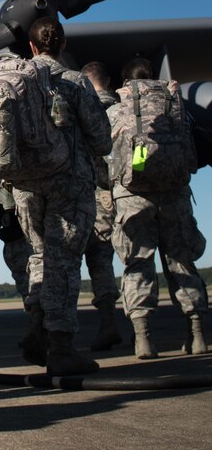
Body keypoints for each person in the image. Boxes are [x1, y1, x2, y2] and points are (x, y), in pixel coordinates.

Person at [9, 18, 111, 376]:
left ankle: (37, 327)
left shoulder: (16, 78)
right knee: (64, 263)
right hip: (68, 183)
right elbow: (102, 139)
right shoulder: (76, 81)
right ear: (62, 45)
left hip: (25, 186)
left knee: (39, 257)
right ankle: (62, 347)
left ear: (32, 47)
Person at [108, 57, 208, 359]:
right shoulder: (176, 107)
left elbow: (105, 156)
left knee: (137, 263)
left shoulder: (116, 110)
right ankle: (197, 335)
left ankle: (143, 339)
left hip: (132, 195)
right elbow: (192, 153)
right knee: (181, 261)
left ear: (126, 82)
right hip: (174, 192)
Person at [79, 61, 123, 351]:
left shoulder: (87, 111)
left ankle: (109, 322)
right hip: (133, 191)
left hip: (100, 193)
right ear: (108, 80)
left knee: (100, 258)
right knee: (139, 258)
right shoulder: (130, 109)